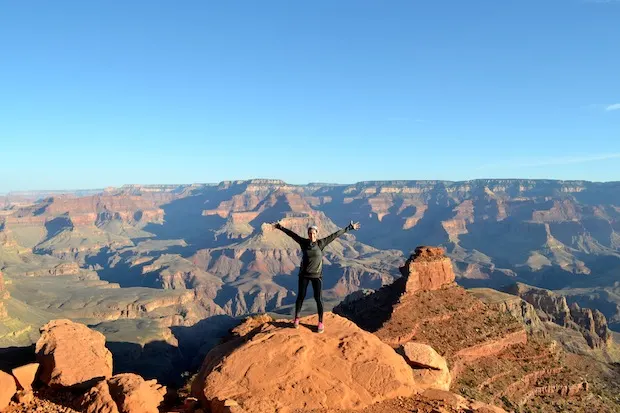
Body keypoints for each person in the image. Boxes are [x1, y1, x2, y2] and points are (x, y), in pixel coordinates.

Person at [272, 220, 361, 333]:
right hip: (304, 275)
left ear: (316, 234)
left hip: (316, 276)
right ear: (308, 234)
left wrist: (349, 228)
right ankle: (297, 319)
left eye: (313, 233)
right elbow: (291, 234)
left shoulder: (321, 243)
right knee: (301, 297)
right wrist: (279, 227)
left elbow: (335, 235)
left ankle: (320, 322)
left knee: (318, 299)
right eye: (310, 233)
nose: (312, 235)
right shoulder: (303, 242)